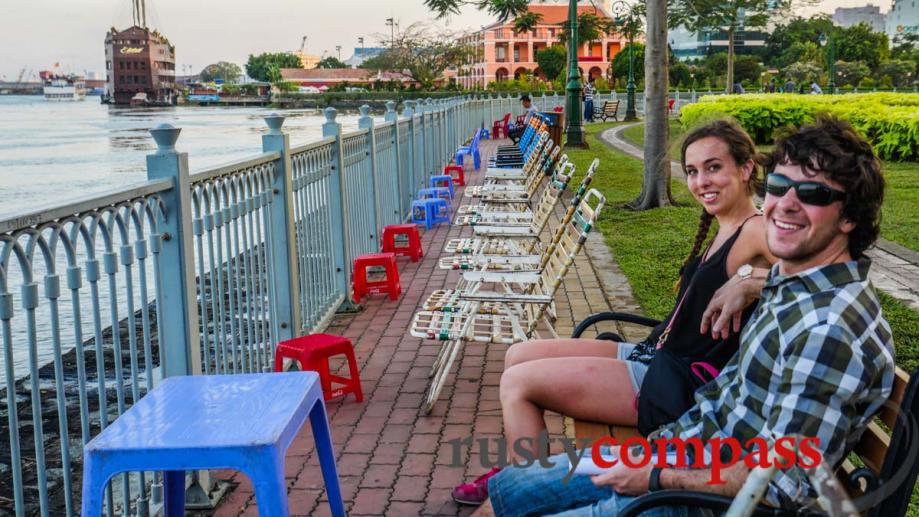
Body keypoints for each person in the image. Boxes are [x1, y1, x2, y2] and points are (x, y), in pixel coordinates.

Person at [473, 115, 894, 517]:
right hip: (685, 450)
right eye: (780, 186)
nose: (784, 205)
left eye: (813, 194)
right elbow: (723, 397)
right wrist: (752, 280)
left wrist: (654, 475)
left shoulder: (828, 331)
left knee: (518, 488)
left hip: (699, 497)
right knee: (509, 491)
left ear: (850, 217)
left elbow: (783, 481)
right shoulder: (795, 284)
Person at [452, 119, 776, 505]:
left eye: (714, 167)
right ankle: (523, 471)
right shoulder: (726, 224)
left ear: (745, 169)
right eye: (692, 171)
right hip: (656, 353)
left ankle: (529, 484)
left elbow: (821, 277)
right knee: (517, 354)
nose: (701, 181)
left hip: (676, 385)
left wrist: (756, 283)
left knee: (518, 384)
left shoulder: (757, 230)